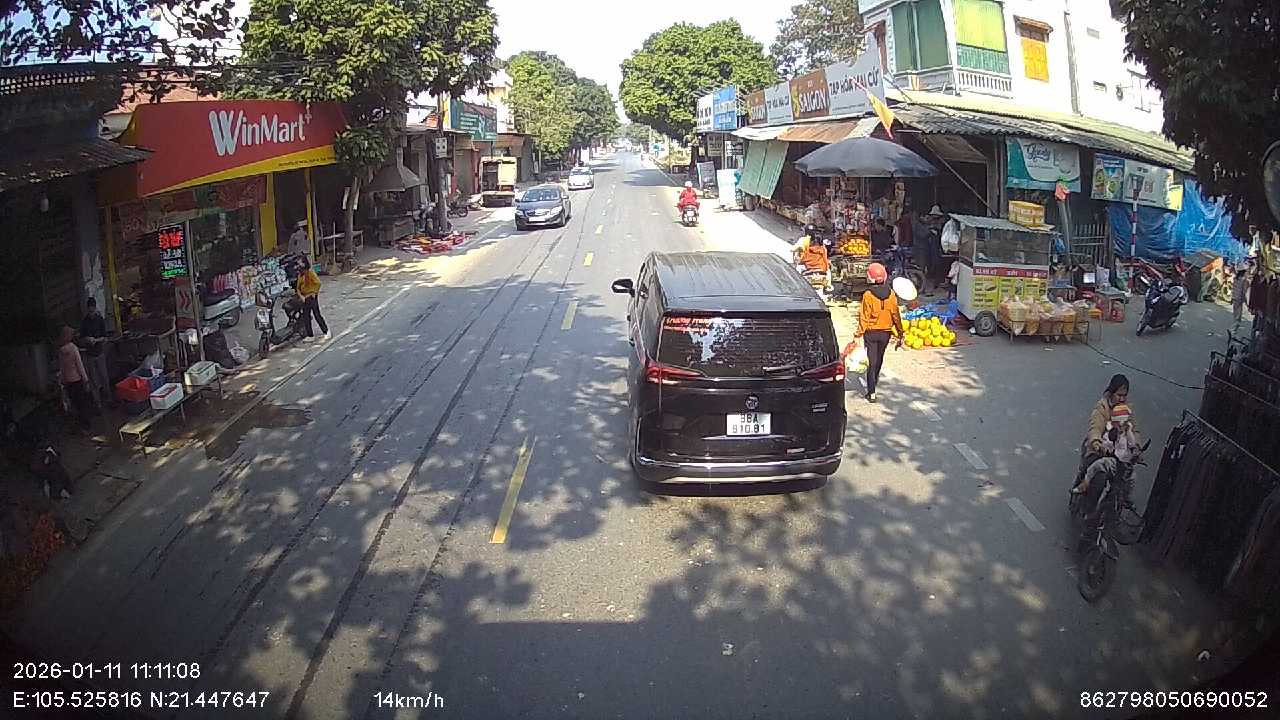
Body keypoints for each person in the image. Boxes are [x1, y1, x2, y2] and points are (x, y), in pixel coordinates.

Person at [855, 262, 905, 402]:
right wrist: (900, 332)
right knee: (879, 359)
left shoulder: (868, 295)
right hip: (885, 334)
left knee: (871, 361)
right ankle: (875, 381)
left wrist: (858, 334)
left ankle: (871, 392)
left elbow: (864, 317)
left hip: (871, 333)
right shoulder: (892, 294)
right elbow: (896, 315)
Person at [1076, 374, 1132, 486]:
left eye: (1124, 396)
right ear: (1111, 393)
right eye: (1119, 395)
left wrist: (1136, 448)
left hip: (1117, 454)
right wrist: (1096, 443)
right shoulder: (1102, 407)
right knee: (1088, 472)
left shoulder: (1127, 410)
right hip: (1098, 449)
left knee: (1127, 480)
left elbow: (1134, 430)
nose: (1122, 399)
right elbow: (1095, 427)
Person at [56, 326, 94, 429]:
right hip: (77, 380)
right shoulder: (73, 348)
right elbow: (79, 365)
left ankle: (79, 425)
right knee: (82, 404)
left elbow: (62, 367)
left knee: (74, 404)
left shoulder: (61, 351)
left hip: (68, 381)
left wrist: (62, 380)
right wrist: (86, 379)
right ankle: (86, 426)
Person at [79, 297, 110, 406]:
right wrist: (87, 339)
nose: (91, 312)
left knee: (104, 377)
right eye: (89, 310)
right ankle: (98, 403)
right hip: (90, 354)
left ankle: (108, 398)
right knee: (93, 380)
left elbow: (105, 337)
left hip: (99, 352)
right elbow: (81, 339)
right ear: (87, 309)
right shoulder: (84, 322)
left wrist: (96, 340)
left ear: (95, 308)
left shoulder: (100, 320)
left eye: (93, 310)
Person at [296, 266, 329, 339]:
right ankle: (310, 335)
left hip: (311, 296)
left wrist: (314, 292)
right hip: (304, 297)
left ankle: (326, 331)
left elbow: (318, 283)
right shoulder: (300, 276)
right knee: (306, 316)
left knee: (316, 314)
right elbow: (298, 288)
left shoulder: (310, 273)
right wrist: (301, 296)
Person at [1232, 263, 1250, 328]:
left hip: (1234, 298)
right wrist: (1247, 303)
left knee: (1235, 315)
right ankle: (1232, 330)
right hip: (1239, 299)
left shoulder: (1235, 279)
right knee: (1238, 317)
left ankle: (1233, 330)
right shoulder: (1244, 281)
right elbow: (1244, 292)